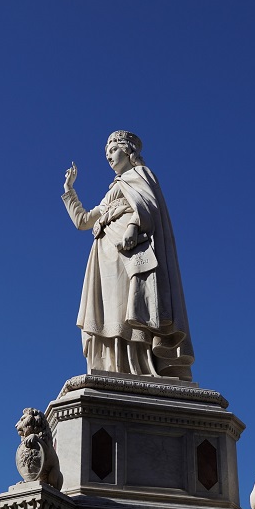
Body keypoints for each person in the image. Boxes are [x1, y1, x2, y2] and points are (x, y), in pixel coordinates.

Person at [61, 131, 195, 381]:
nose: (109, 157)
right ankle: (113, 364)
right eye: (106, 153)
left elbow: (149, 207)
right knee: (109, 310)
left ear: (128, 151)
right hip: (105, 255)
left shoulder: (141, 176)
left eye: (113, 150)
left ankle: (139, 365)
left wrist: (133, 225)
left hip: (129, 252)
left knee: (130, 306)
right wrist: (70, 191)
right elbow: (83, 221)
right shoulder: (113, 191)